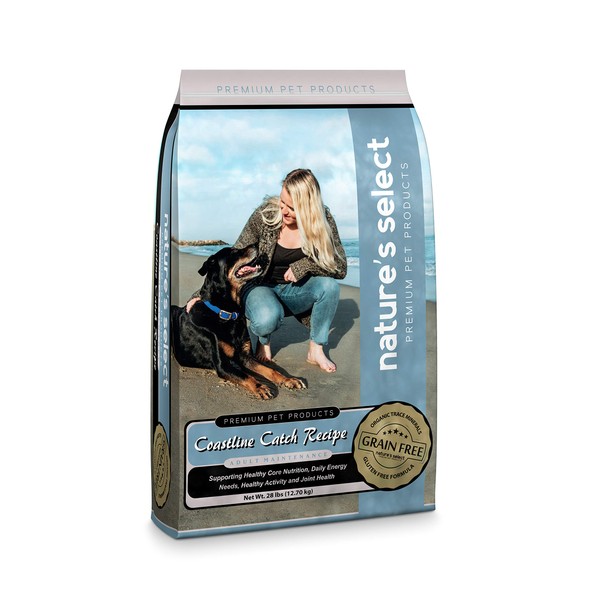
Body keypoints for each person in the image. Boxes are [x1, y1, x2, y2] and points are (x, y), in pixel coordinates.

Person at [187, 168, 347, 373]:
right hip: (260, 287)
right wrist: (201, 295)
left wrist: (304, 266)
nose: (284, 210)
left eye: (292, 207)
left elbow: (340, 266)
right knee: (266, 318)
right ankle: (264, 340)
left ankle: (316, 350)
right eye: (282, 202)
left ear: (308, 208)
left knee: (329, 286)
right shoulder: (265, 215)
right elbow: (234, 259)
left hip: (296, 290)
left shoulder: (324, 221)